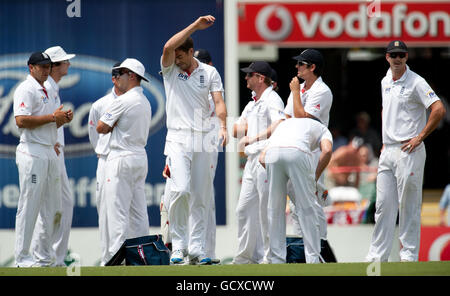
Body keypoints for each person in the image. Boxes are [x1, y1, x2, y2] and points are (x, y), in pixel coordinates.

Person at [366, 40, 446, 262]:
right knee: (383, 206)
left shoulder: (416, 82)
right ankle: (376, 258)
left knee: (408, 204)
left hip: (409, 150)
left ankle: (408, 256)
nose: (398, 59)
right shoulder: (385, 81)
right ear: (387, 57)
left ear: (407, 57)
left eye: (401, 55)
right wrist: (385, 140)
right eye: (394, 55)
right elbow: (385, 110)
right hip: (388, 150)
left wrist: (420, 136)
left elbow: (438, 109)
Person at [160, 15, 228, 265]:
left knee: (201, 195)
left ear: (190, 53)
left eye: (180, 55)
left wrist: (222, 126)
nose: (175, 59)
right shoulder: (170, 70)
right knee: (179, 189)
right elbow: (167, 47)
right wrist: (195, 26)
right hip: (177, 138)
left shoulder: (209, 72)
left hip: (204, 139)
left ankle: (197, 247)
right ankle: (178, 245)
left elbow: (219, 102)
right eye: (175, 56)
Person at [13, 52, 72, 267]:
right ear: (31, 67)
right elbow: (21, 120)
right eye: (42, 67)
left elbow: (48, 122)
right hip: (32, 152)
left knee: (53, 207)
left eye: (48, 66)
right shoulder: (26, 88)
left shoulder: (48, 89)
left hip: (48, 150)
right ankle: (22, 257)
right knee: (29, 205)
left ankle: (44, 257)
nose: (46, 70)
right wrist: (52, 118)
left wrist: (60, 121)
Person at [96, 58, 152, 263]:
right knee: (138, 212)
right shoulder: (145, 101)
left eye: (120, 74)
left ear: (132, 76)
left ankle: (114, 259)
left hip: (120, 158)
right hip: (139, 157)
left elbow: (101, 127)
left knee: (117, 211)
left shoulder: (123, 100)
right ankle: (141, 257)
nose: (116, 78)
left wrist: (113, 124)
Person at [259, 117, 333, 263]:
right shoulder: (323, 129)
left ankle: (276, 259)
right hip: (298, 151)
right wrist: (314, 178)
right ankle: (313, 258)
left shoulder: (284, 125)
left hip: (272, 154)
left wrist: (284, 182)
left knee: (275, 208)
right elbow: (327, 150)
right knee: (307, 208)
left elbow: (262, 159)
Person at [232, 61, 285, 264]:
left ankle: (270, 257)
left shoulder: (273, 99)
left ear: (260, 78)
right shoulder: (252, 102)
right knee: (243, 208)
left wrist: (253, 138)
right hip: (251, 161)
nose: (245, 78)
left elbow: (279, 124)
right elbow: (237, 129)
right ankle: (246, 258)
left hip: (266, 158)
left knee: (266, 209)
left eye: (249, 75)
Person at [285, 49, 333, 256]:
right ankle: (303, 247)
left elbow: (302, 118)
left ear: (312, 67)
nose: (297, 68)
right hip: (296, 149)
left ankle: (319, 245)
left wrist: (295, 92)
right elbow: (288, 117)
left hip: (312, 151)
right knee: (296, 204)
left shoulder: (322, 91)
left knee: (311, 200)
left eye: (301, 64)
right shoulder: (300, 88)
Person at [30, 46, 76, 267]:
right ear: (56, 66)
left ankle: (54, 257)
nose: (69, 64)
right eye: (65, 61)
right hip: (50, 151)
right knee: (51, 206)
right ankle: (43, 257)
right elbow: (34, 121)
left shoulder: (52, 87)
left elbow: (50, 120)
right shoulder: (46, 86)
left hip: (56, 151)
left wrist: (62, 120)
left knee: (63, 204)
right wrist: (52, 141)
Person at [88, 62, 123, 265]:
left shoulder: (136, 100)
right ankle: (108, 259)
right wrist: (101, 153)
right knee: (105, 209)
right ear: (114, 78)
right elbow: (95, 135)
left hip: (125, 158)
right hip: (106, 158)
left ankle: (130, 257)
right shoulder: (100, 105)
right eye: (122, 75)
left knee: (125, 208)